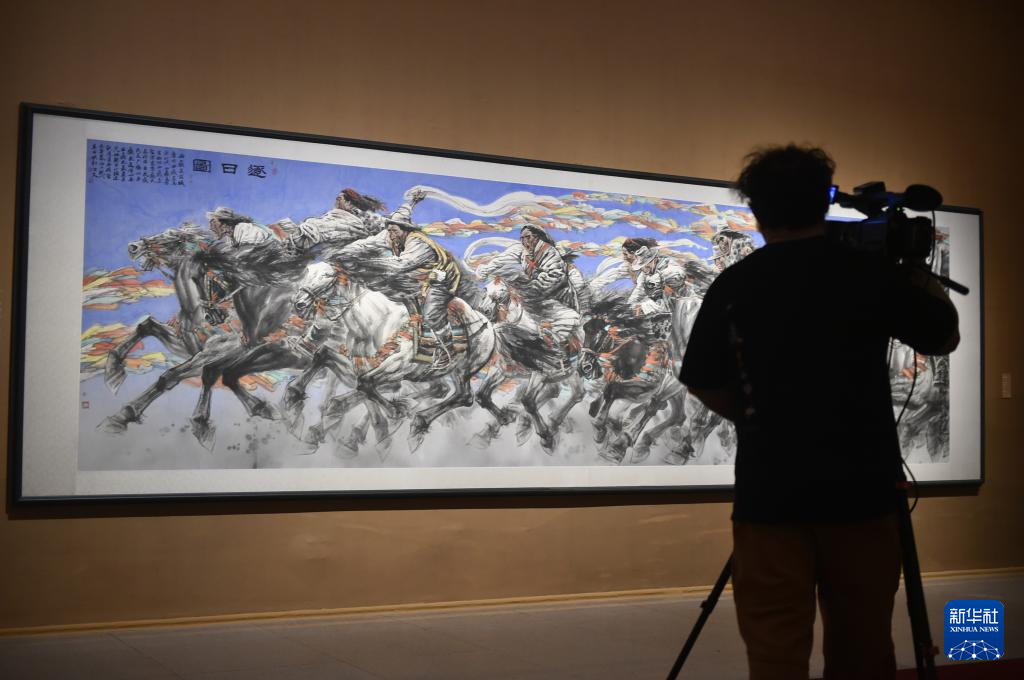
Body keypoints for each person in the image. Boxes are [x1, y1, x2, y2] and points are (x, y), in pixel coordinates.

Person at [678, 145, 959, 680]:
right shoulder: (867, 275)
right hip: (863, 495)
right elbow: (943, 337)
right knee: (862, 648)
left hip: (769, 496)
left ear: (756, 210)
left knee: (775, 653)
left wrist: (763, 420)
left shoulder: (735, 284)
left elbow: (703, 381)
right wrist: (912, 268)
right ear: (823, 202)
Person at [339, 207, 461, 368]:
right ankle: (411, 334)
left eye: (394, 230)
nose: (391, 234)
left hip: (440, 279)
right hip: (417, 278)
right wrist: (343, 254)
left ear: (405, 229)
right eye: (389, 230)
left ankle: (448, 348)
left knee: (431, 313)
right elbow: (366, 244)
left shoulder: (417, 242)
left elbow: (401, 264)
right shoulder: (393, 238)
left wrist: (365, 262)